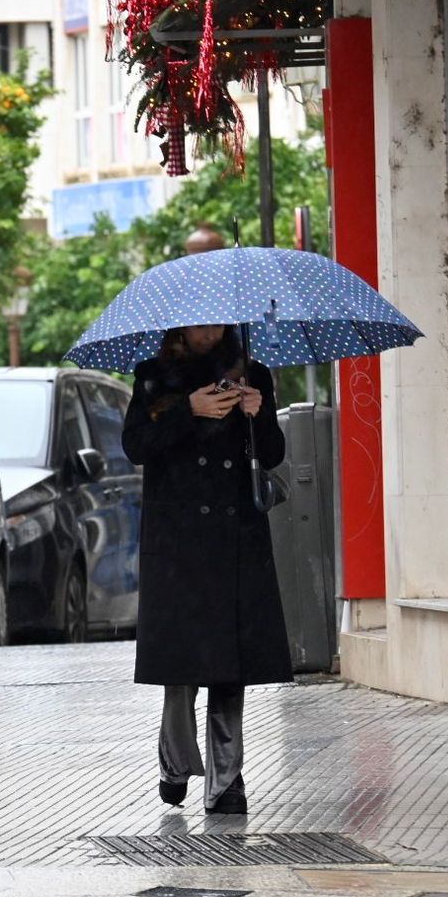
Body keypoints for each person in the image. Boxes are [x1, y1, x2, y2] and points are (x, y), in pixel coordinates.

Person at [121, 323, 293, 815]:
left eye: (217, 323)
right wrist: (188, 410)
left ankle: (226, 782)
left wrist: (258, 414)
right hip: (176, 545)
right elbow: (136, 446)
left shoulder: (252, 374)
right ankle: (175, 764)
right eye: (200, 324)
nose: (208, 332)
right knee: (180, 670)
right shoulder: (153, 376)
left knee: (229, 667)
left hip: (234, 539)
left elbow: (273, 453)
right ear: (181, 325)